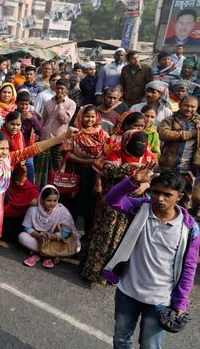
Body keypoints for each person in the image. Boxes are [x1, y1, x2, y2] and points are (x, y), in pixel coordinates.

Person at [0, 94, 76, 332]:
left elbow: (35, 148)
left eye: (7, 148)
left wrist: (62, 137)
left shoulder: (7, 163)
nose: (5, 152)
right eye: (0, 148)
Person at [97, 165, 198, 349]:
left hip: (161, 300)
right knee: (122, 337)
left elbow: (189, 268)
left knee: (151, 348)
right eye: (155, 192)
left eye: (167, 194)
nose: (159, 198)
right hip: (128, 291)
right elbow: (111, 200)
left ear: (179, 197)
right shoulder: (140, 209)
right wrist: (132, 182)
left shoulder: (189, 229)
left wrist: (181, 302)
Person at [81, 127, 157, 284]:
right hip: (113, 202)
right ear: (127, 141)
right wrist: (131, 168)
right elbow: (108, 171)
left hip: (134, 205)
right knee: (104, 236)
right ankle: (93, 272)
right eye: (137, 142)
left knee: (123, 240)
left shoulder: (149, 158)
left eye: (143, 142)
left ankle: (110, 275)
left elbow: (155, 180)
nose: (140, 145)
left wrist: (145, 186)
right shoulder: (115, 153)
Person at [63, 105, 110, 235]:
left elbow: (107, 154)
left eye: (92, 117)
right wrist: (85, 161)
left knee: (92, 206)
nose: (89, 119)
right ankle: (68, 235)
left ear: (97, 117)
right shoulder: (74, 132)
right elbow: (66, 152)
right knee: (73, 204)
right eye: (87, 116)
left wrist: (96, 165)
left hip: (96, 176)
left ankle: (88, 235)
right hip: (77, 172)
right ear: (81, 116)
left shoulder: (103, 134)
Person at [19, 185, 80, 268]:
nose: (52, 204)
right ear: (42, 200)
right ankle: (50, 255)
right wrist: (39, 236)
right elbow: (27, 227)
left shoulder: (62, 211)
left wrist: (53, 236)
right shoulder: (33, 210)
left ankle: (39, 253)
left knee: (77, 245)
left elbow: (65, 232)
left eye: (55, 200)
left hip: (55, 240)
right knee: (22, 236)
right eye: (48, 200)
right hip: (39, 238)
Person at [34, 79, 77, 188]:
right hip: (45, 138)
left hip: (58, 140)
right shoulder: (48, 102)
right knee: (43, 166)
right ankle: (42, 187)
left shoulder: (71, 104)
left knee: (56, 166)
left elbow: (65, 120)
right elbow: (43, 120)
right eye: (58, 88)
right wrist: (39, 135)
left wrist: (60, 105)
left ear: (67, 90)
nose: (59, 91)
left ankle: (55, 189)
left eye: (62, 88)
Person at [158, 95, 200, 173]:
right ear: (179, 105)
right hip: (168, 165)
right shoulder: (169, 120)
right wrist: (191, 134)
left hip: (190, 168)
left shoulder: (198, 122)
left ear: (197, 107)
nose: (189, 109)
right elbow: (163, 134)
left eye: (192, 107)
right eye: (186, 105)